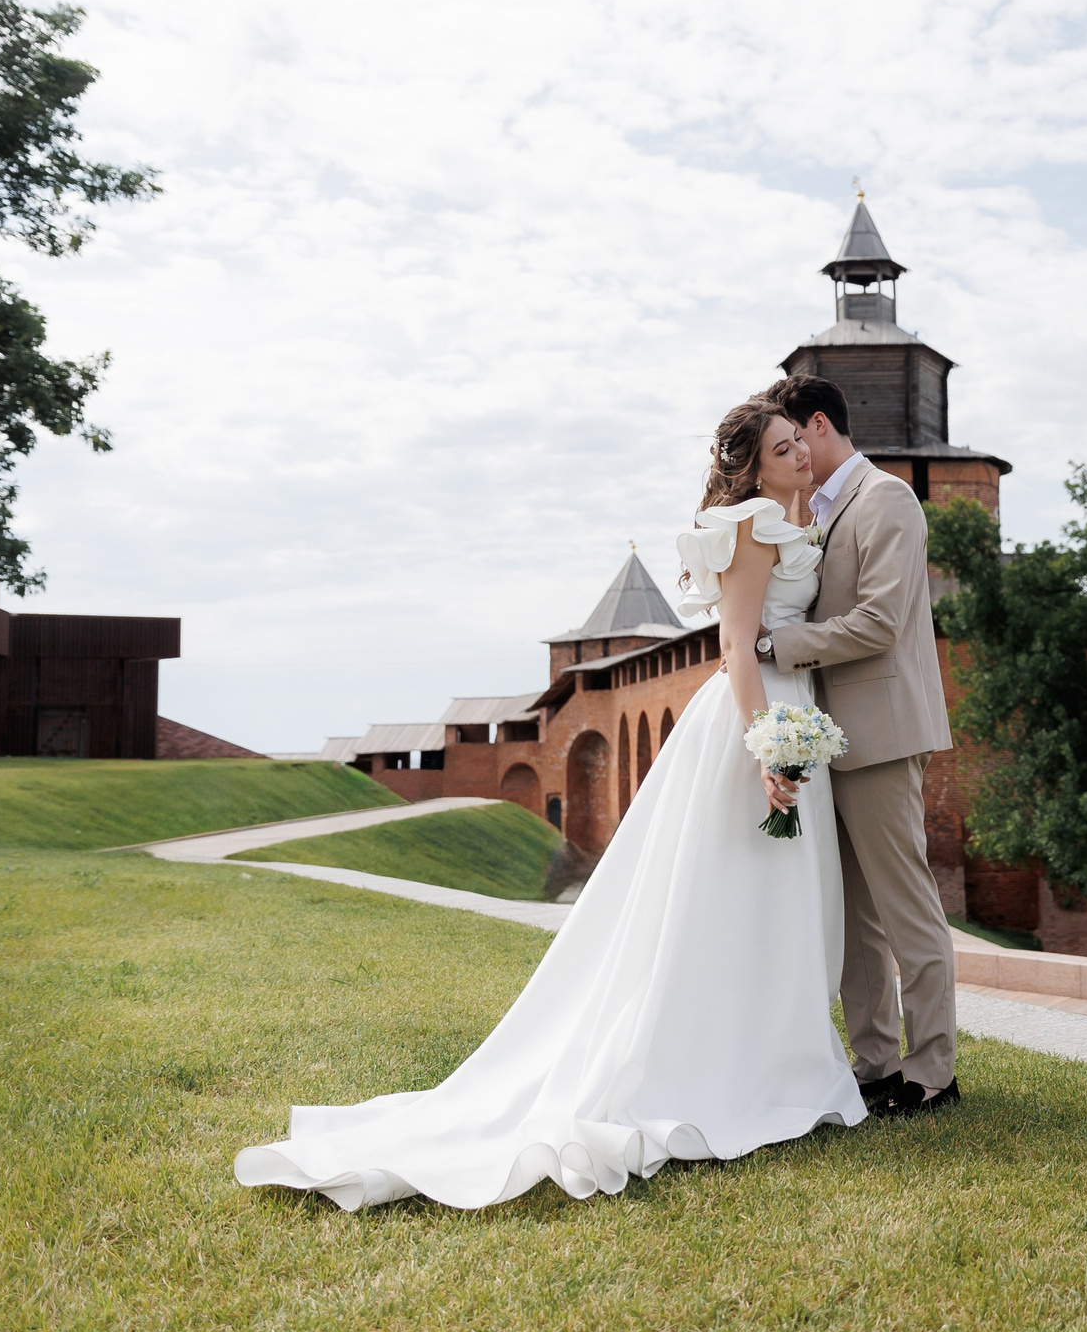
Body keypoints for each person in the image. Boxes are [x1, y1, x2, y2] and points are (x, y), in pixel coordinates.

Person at [234, 399, 865, 1210]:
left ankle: (777, 1057)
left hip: (788, 713)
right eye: (783, 448)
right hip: (757, 722)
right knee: (732, 892)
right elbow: (736, 647)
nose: (801, 456)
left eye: (799, 443)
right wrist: (768, 744)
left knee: (770, 897)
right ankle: (730, 1065)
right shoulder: (751, 526)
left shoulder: (795, 520)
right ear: (754, 466)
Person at [757, 373, 960, 1116]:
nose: (787, 455)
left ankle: (933, 1070)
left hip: (879, 735)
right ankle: (875, 1064)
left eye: (787, 439)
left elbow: (879, 621)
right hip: (826, 737)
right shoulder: (813, 510)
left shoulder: (887, 499)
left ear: (816, 425)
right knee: (855, 922)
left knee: (907, 910)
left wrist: (779, 645)